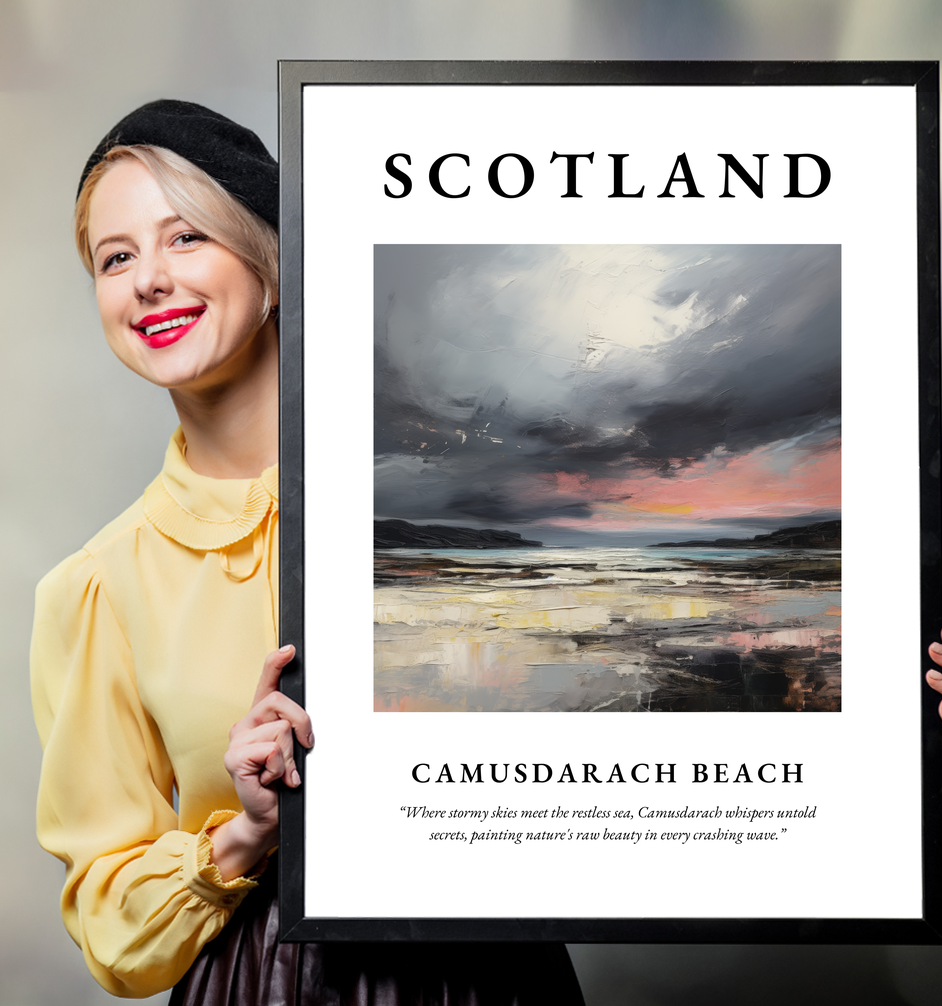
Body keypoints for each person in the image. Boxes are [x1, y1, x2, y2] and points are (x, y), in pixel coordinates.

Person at [30, 100, 586, 1004]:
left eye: (186, 238)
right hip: (262, 982)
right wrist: (245, 832)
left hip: (491, 973)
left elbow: (610, 714)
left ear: (273, 263)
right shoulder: (97, 587)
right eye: (116, 257)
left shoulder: (447, 500)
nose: (148, 281)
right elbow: (110, 923)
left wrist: (886, 707)